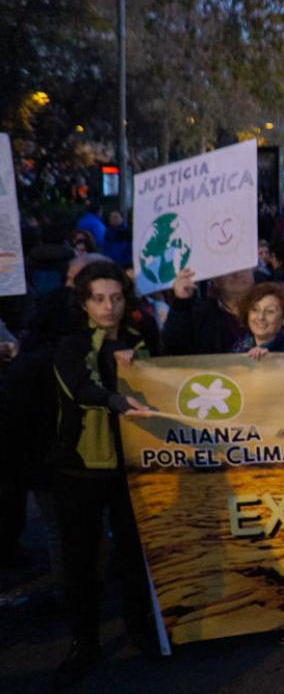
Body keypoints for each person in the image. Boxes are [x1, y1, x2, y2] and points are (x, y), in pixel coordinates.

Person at [51, 261, 159, 686]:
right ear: (84, 303)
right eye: (99, 299)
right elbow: (80, 389)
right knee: (81, 561)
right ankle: (84, 643)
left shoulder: (141, 336)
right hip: (81, 469)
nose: (108, 306)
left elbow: (168, 378)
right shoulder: (71, 345)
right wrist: (117, 393)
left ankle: (138, 628)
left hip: (133, 466)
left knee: (134, 555)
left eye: (115, 297)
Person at [163, 267, 254, 354]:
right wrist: (181, 303)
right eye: (228, 269)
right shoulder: (200, 313)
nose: (236, 274)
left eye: (243, 267)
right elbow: (174, 346)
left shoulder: (266, 305)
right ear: (215, 280)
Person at [233, 282, 284, 356]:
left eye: (270, 311)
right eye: (255, 310)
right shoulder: (236, 351)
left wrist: (271, 360)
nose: (260, 317)